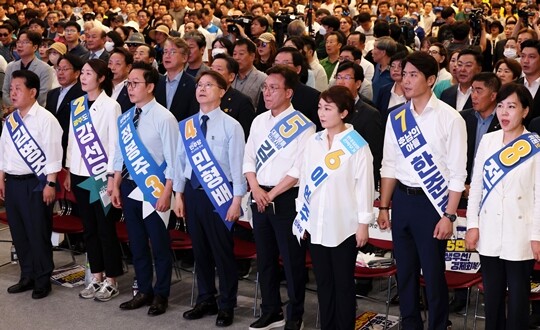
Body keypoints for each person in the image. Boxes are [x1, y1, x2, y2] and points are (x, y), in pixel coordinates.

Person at [377, 51, 467, 330]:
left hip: (433, 205)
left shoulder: (450, 119)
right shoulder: (397, 117)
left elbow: (457, 174)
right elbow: (389, 165)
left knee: (432, 272)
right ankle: (410, 323)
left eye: (413, 75)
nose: (406, 80)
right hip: (402, 200)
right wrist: (384, 206)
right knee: (403, 272)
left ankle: (438, 324)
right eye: (404, 74)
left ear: (431, 79)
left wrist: (449, 216)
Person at [296, 85, 374, 329]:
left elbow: (365, 188)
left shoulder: (356, 145)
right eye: (320, 107)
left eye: (328, 108)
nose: (321, 113)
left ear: (343, 112)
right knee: (324, 284)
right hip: (316, 224)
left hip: (344, 227)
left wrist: (363, 224)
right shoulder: (313, 142)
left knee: (343, 285)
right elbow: (305, 181)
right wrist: (302, 217)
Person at [244, 65, 315, 330]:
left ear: (289, 92)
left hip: (286, 200)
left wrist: (270, 194)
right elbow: (248, 157)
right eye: (265, 87)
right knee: (265, 258)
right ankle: (271, 309)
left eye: (274, 88)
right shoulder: (258, 120)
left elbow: (298, 170)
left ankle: (295, 315)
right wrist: (256, 188)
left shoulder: (305, 126)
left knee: (292, 260)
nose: (267, 92)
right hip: (259, 195)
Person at [174, 70, 246, 328]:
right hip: (193, 194)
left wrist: (237, 201)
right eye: (199, 85)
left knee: (222, 253)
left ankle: (227, 304)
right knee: (200, 251)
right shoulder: (188, 124)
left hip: (220, 194)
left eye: (209, 85)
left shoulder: (232, 126)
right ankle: (206, 298)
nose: (202, 89)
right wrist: (178, 195)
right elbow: (180, 162)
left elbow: (238, 167)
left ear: (222, 91)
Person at [466, 82, 540, 330]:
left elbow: (539, 195)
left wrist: (536, 236)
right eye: (500, 106)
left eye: (512, 106)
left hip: (520, 232)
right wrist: (473, 225)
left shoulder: (535, 145)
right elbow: (476, 186)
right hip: (489, 229)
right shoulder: (488, 141)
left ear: (525, 111)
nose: (505, 113)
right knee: (493, 295)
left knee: (518, 298)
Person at [112, 61, 178, 316]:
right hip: (129, 186)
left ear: (150, 86)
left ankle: (161, 294)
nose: (130, 88)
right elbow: (120, 155)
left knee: (159, 245)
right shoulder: (126, 117)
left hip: (155, 188)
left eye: (135, 83)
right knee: (136, 243)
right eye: (128, 83)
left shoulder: (165, 117)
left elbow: (174, 159)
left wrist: (167, 192)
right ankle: (143, 290)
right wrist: (115, 184)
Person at [64, 59, 123, 302]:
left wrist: (111, 177)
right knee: (89, 229)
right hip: (78, 172)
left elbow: (115, 145)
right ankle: (96, 276)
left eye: (89, 73)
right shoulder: (76, 104)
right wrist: (68, 170)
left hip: (100, 175)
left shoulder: (111, 106)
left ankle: (111, 280)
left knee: (105, 229)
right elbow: (72, 141)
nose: (83, 77)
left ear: (101, 78)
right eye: (83, 73)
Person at [0, 70, 62, 299]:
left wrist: (51, 184)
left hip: (36, 183)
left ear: (33, 92)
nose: (12, 93)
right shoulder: (11, 119)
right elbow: (3, 151)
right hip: (13, 183)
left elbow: (54, 154)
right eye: (12, 88)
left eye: (18, 88)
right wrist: (1, 179)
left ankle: (42, 279)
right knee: (19, 233)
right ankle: (27, 275)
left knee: (38, 232)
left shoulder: (46, 120)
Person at [334, 61, 383, 186]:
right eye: (338, 77)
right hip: (332, 173)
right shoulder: (328, 108)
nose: (340, 82)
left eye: (346, 78)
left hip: (356, 179)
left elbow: (375, 154)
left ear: (358, 83)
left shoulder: (370, 113)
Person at [45, 54, 85, 166]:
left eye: (65, 69)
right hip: (52, 148)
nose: (60, 73)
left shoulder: (83, 95)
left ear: (77, 73)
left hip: (72, 150)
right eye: (59, 69)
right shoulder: (52, 94)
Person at [3, 30, 55, 108]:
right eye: (18, 42)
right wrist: (13, 107)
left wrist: (22, 108)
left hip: (34, 113)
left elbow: (42, 96)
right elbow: (5, 91)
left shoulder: (45, 69)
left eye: (24, 42)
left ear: (35, 47)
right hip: (12, 111)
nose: (20, 45)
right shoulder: (11, 66)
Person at [211, 53, 256, 140]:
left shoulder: (242, 102)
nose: (212, 73)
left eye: (218, 69)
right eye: (212, 68)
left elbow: (244, 136)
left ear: (231, 77)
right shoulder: (201, 97)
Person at [154, 37, 199, 122]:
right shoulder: (157, 82)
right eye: (165, 52)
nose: (167, 56)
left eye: (172, 52)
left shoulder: (193, 84)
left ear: (184, 58)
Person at [108, 47, 135, 113]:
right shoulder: (101, 86)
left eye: (118, 64)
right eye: (110, 63)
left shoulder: (132, 89)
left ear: (128, 67)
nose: (112, 68)